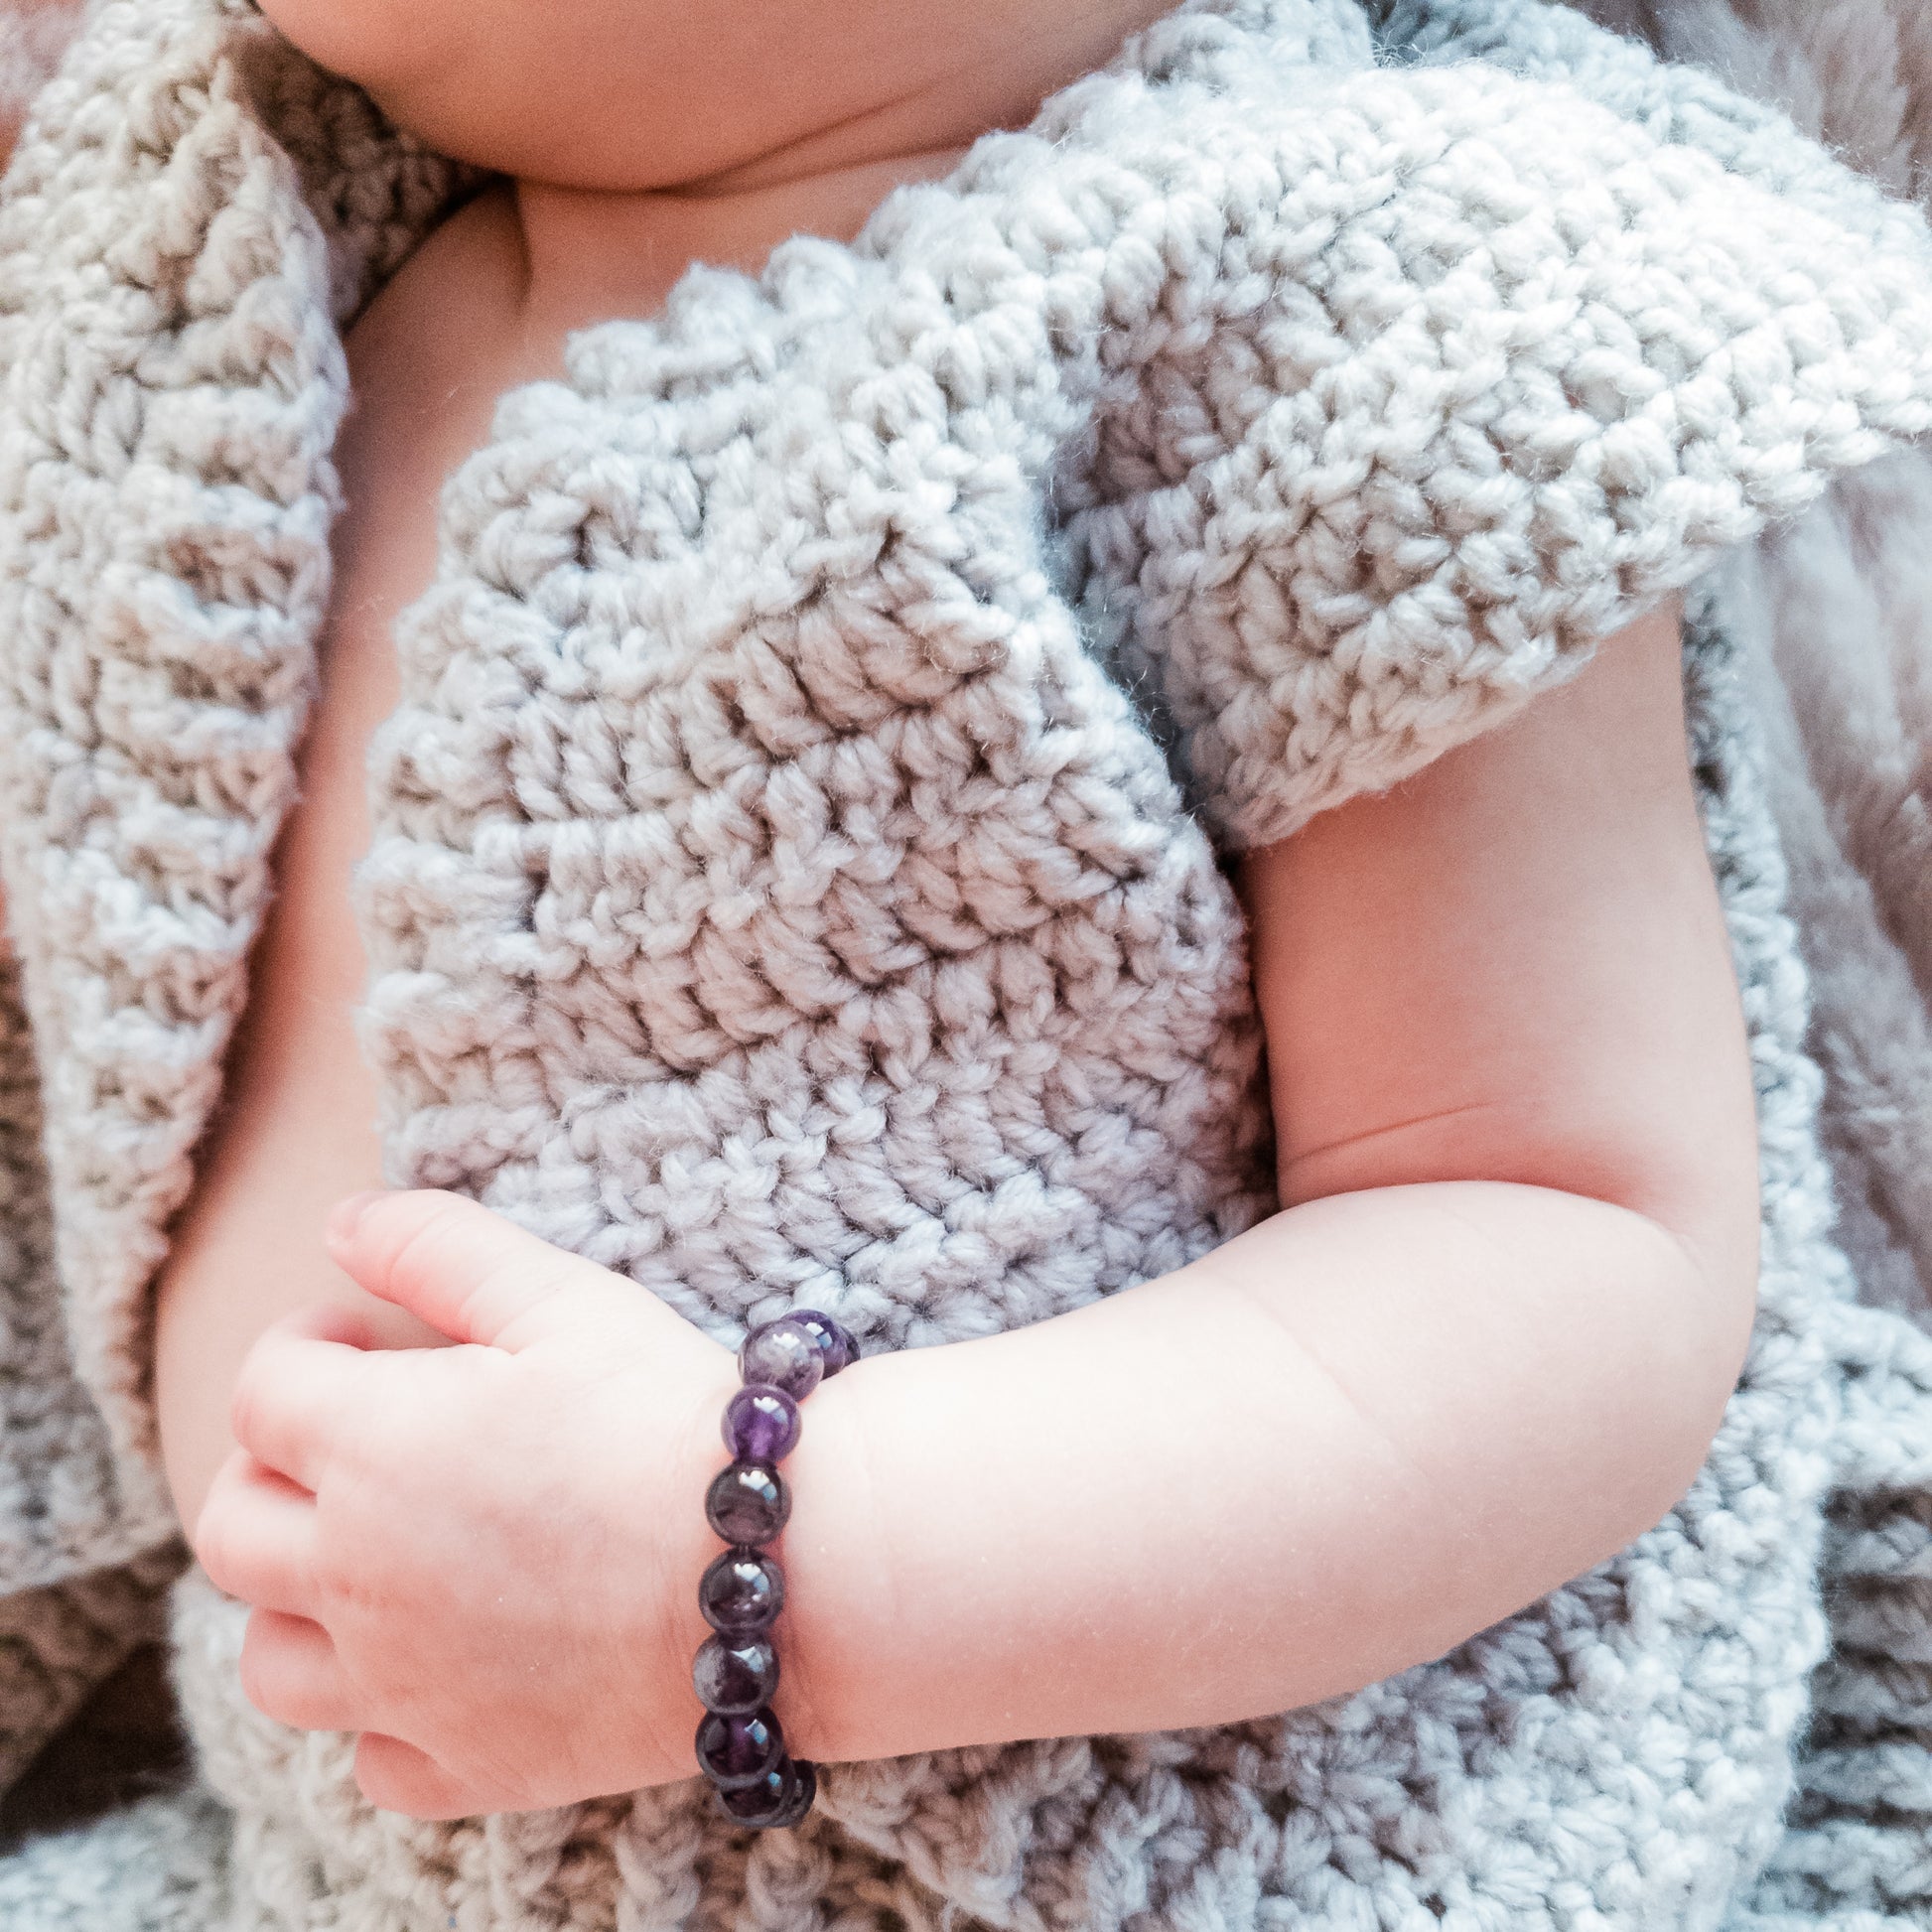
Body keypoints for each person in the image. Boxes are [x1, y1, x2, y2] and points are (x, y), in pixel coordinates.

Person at [0, 0, 1929, 1924]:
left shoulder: (1364, 314)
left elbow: (1559, 1246)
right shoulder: (210, 252)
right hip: (316, 1859)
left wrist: (774, 1567)